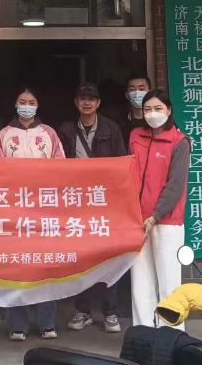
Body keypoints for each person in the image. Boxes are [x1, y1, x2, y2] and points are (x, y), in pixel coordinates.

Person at [0, 88, 64, 341]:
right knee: (17, 266)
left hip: (44, 208)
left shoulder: (49, 133)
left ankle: (47, 323)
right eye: (22, 101)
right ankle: (17, 325)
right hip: (14, 208)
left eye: (31, 102)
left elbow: (63, 169)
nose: (27, 105)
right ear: (15, 104)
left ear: (38, 105)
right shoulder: (4, 135)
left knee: (46, 266)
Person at [59, 83, 127, 334]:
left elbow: (122, 164)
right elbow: (57, 165)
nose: (87, 103)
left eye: (91, 99)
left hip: (105, 201)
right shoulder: (66, 130)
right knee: (82, 259)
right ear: (76, 103)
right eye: (82, 99)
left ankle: (110, 313)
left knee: (110, 258)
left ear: (98, 103)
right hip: (76, 202)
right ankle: (83, 310)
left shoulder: (111, 128)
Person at [129, 89, 191, 328]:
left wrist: (155, 216)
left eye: (158, 108)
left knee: (169, 283)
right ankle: (143, 331)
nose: (152, 114)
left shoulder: (179, 141)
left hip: (166, 222)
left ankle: (171, 334)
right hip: (137, 220)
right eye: (147, 109)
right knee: (140, 281)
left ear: (169, 110)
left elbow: (175, 185)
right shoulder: (136, 136)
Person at [124, 76, 151, 144]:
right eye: (132, 89)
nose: (137, 93)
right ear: (127, 95)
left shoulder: (160, 119)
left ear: (150, 93)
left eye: (141, 89)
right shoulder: (119, 123)